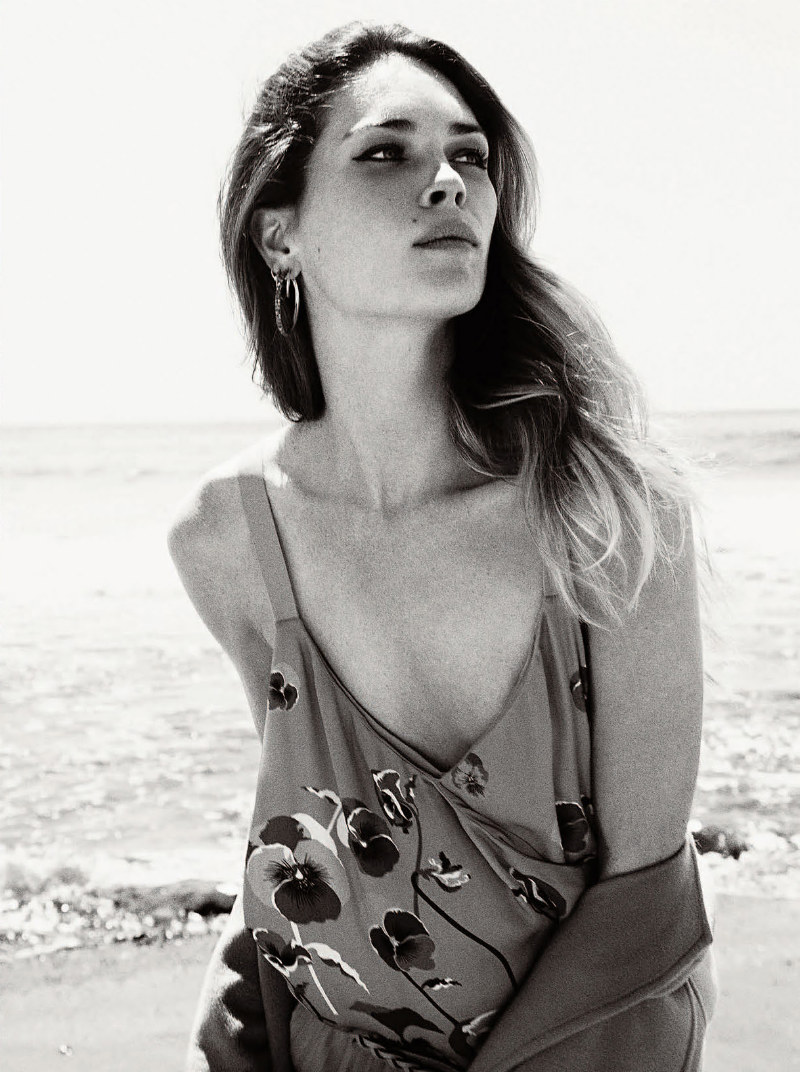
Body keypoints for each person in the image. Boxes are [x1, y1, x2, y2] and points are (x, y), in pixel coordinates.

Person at [168, 21, 716, 1072]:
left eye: (470, 155)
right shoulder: (227, 537)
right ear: (279, 234)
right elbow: (311, 835)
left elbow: (644, 901)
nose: (449, 181)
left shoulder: (604, 513)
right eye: (386, 151)